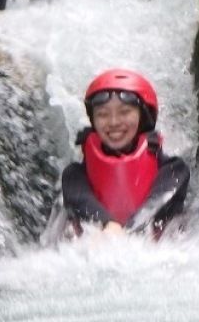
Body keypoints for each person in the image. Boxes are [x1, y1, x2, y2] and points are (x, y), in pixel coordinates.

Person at [61, 69, 190, 237]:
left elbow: (157, 203)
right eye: (103, 114)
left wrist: (126, 232)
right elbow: (80, 199)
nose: (114, 122)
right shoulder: (74, 175)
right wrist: (108, 224)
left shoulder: (174, 170)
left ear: (143, 117)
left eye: (125, 112)